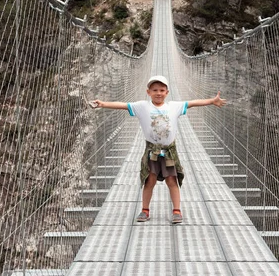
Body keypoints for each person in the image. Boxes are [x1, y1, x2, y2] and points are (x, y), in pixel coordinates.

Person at [90, 75, 226, 224]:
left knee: (171, 180)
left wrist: (212, 101)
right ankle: (145, 210)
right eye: (155, 90)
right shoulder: (142, 106)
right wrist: (103, 104)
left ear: (167, 92)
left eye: (162, 90)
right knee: (150, 180)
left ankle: (176, 211)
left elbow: (193, 103)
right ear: (148, 92)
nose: (158, 93)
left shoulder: (173, 106)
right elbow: (123, 105)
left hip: (169, 151)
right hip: (151, 151)